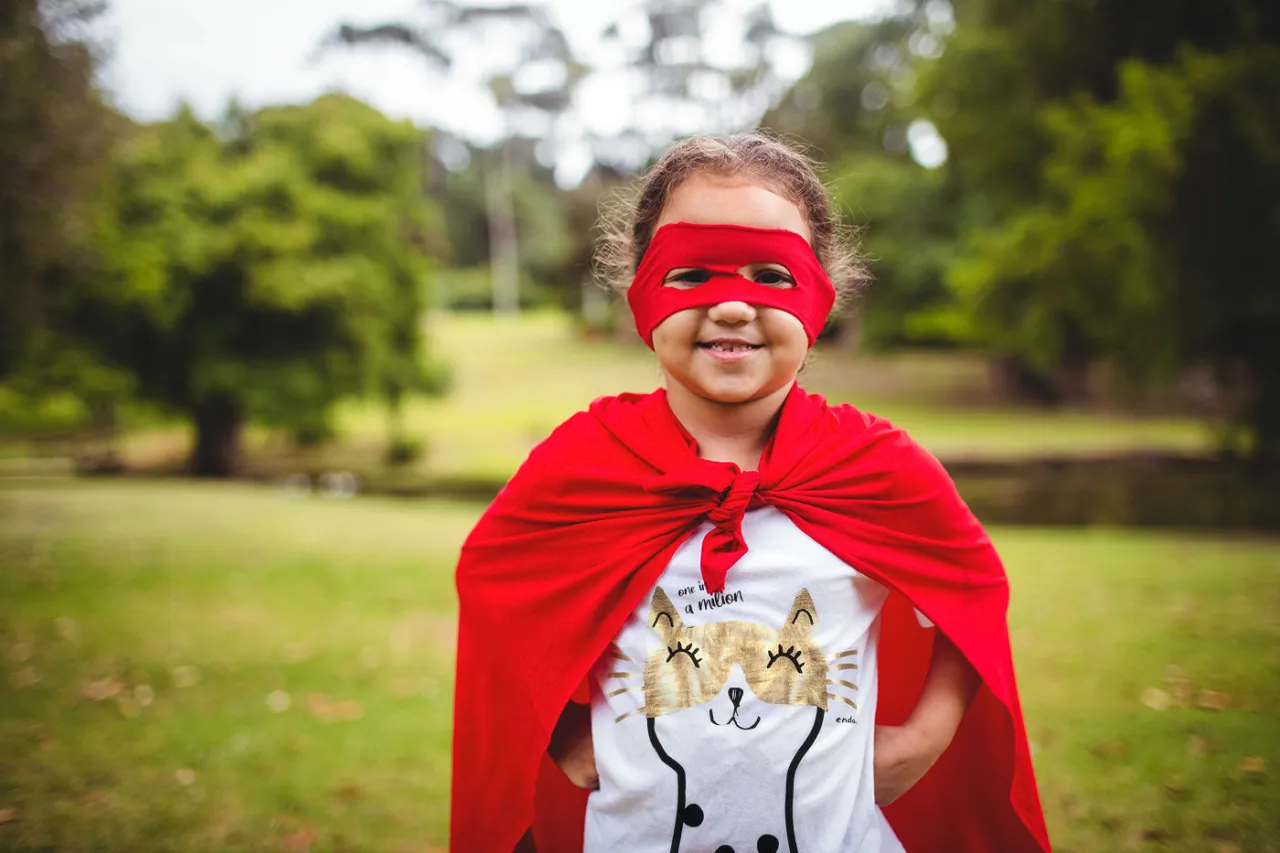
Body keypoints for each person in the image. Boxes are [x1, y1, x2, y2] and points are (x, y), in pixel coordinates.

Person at [452, 133, 1051, 853]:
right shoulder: (588, 460)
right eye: (692, 274)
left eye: (771, 275)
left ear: (821, 294)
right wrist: (561, 729)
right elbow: (493, 581)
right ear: (640, 289)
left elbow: (974, 586)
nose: (734, 307)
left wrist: (929, 730)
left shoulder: (875, 464)